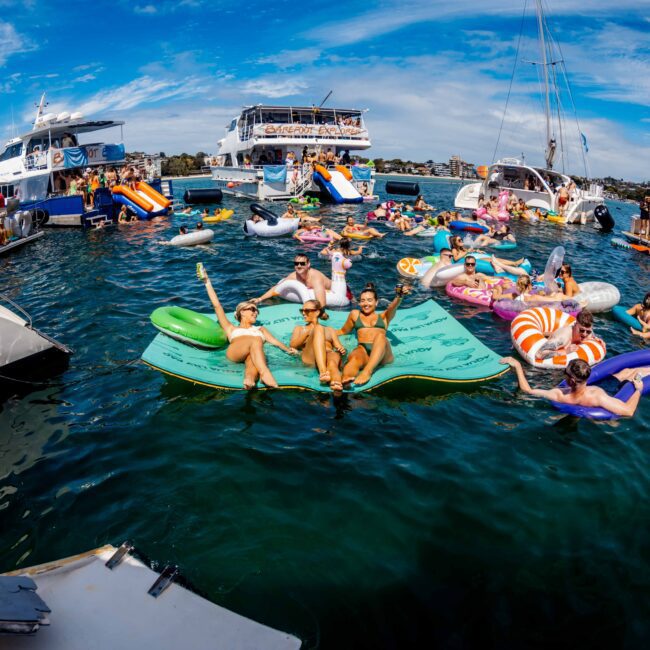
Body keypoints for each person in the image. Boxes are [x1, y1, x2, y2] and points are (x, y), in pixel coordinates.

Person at [199, 268, 297, 389]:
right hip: (235, 353)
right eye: (252, 309)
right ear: (242, 312)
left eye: (256, 310)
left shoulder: (260, 329)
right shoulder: (231, 328)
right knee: (255, 340)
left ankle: (249, 380)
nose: (255, 312)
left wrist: (289, 350)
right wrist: (207, 281)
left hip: (254, 353)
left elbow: (275, 342)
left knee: (252, 360)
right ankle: (265, 373)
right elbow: (217, 305)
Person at [500, 357, 645, 418]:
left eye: (565, 373)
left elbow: (527, 390)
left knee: (625, 373)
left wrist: (518, 366)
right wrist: (638, 389)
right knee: (627, 373)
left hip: (583, 398)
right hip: (611, 392)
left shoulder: (559, 395)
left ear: (571, 380)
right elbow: (628, 411)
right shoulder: (597, 396)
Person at [337, 282, 410, 386]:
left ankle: (367, 371)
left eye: (369, 300)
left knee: (380, 336)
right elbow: (343, 331)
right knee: (354, 358)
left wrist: (399, 296)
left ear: (376, 302)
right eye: (362, 301)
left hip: (383, 354)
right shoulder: (355, 314)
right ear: (359, 303)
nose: (366, 304)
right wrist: (325, 331)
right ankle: (345, 380)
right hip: (364, 352)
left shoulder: (384, 316)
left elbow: (393, 307)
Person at [290, 299, 346, 391]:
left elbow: (339, 347)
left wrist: (341, 350)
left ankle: (336, 383)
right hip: (311, 358)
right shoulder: (300, 329)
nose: (303, 313)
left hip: (329, 355)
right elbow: (293, 345)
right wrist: (307, 333)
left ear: (317, 312)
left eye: (306, 310)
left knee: (332, 361)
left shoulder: (330, 330)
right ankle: (323, 372)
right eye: (302, 310)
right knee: (318, 328)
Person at [252, 254, 332, 316]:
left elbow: (321, 301)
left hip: (335, 292)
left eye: (302, 263)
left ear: (308, 264)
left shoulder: (315, 277)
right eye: (296, 263)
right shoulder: (294, 276)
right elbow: (277, 288)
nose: (299, 266)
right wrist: (260, 299)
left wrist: (320, 313)